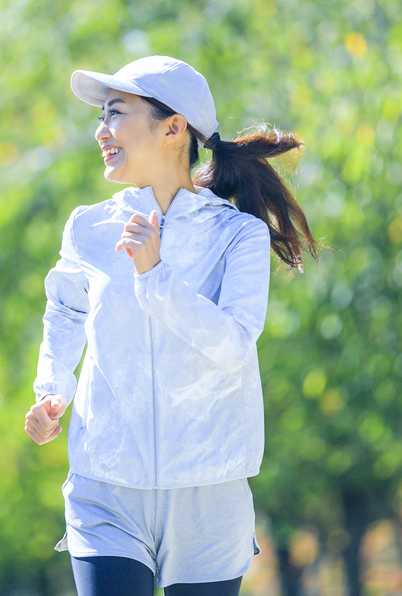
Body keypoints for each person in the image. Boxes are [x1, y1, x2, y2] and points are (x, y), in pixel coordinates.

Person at [25, 55, 320, 596]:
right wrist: (53, 391)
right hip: (105, 486)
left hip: (208, 492)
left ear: (173, 127)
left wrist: (157, 278)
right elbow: (66, 310)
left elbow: (234, 344)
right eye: (100, 118)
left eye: (115, 114)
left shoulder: (238, 236)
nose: (101, 132)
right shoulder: (88, 227)